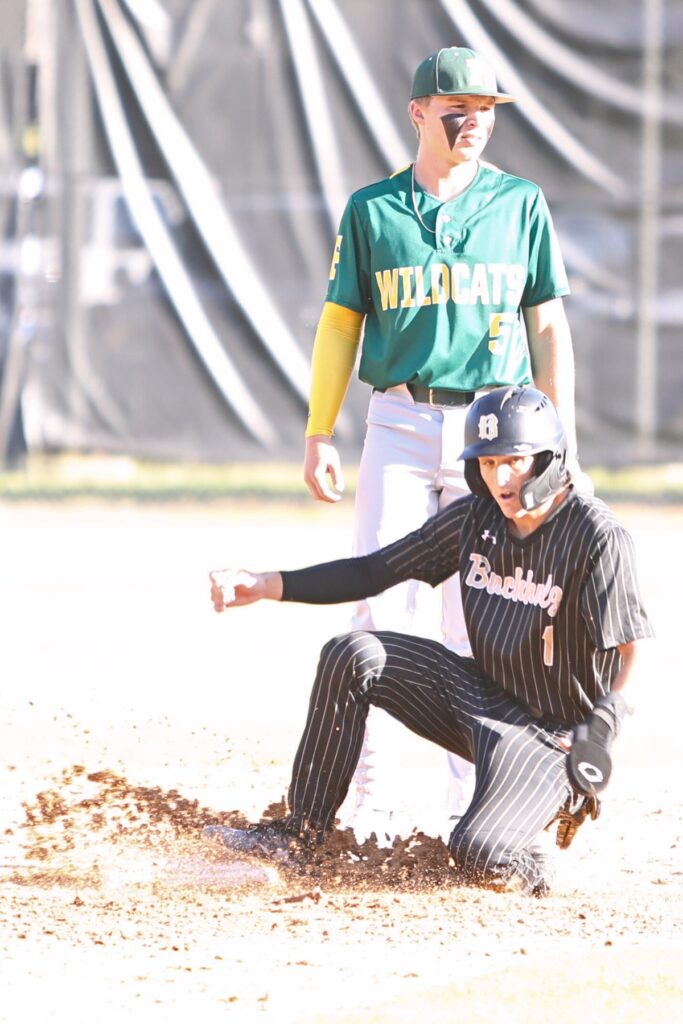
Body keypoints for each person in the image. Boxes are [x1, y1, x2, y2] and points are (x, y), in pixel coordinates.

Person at [204, 387, 653, 896]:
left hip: (551, 738)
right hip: (482, 698)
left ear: (548, 459)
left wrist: (598, 731)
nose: (499, 478)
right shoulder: (477, 519)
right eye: (487, 463)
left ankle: (539, 849)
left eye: (514, 461)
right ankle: (298, 837)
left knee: (477, 852)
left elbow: (632, 650)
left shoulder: (596, 534)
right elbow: (375, 571)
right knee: (353, 654)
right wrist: (267, 584)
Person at [302, 46, 580, 841]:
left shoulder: (519, 204)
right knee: (379, 608)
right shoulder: (374, 210)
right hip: (398, 421)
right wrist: (319, 430)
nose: (474, 122)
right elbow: (340, 325)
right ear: (418, 113)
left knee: (482, 618)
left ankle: (476, 804)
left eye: (485, 109)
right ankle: (370, 806)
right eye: (457, 108)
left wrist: (559, 442)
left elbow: (546, 325)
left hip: (496, 432)